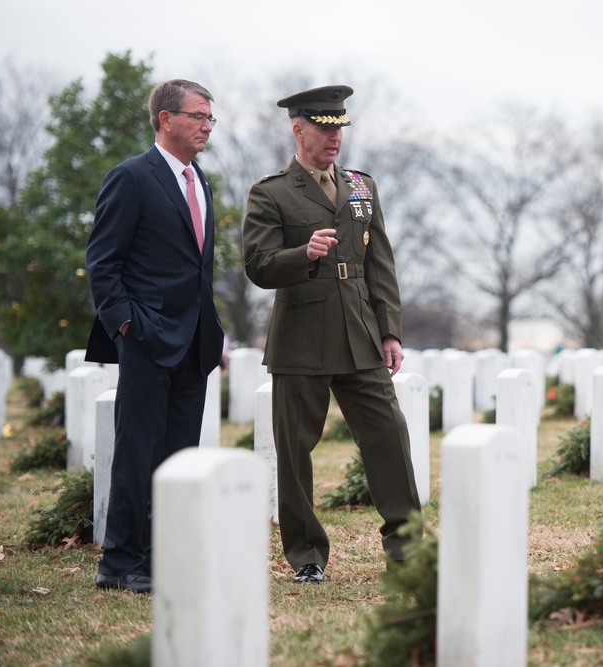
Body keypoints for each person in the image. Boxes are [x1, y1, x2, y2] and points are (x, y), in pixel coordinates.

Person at [243, 85, 421, 583]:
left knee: (390, 436)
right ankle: (306, 556)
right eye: (324, 129)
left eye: (339, 128)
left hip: (361, 332)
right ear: (298, 130)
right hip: (301, 337)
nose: (334, 138)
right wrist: (305, 254)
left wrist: (390, 331)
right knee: (295, 451)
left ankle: (408, 552)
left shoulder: (362, 186)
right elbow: (257, 266)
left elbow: (380, 264)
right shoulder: (270, 192)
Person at [85, 79, 224, 593]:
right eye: (198, 116)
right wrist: (126, 324)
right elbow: (103, 262)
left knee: (179, 455)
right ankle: (119, 563)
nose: (207, 126)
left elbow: (198, 266)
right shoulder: (132, 177)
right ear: (166, 119)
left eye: (211, 118)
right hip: (145, 337)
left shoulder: (200, 180)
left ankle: (163, 557)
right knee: (138, 451)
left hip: (194, 340)